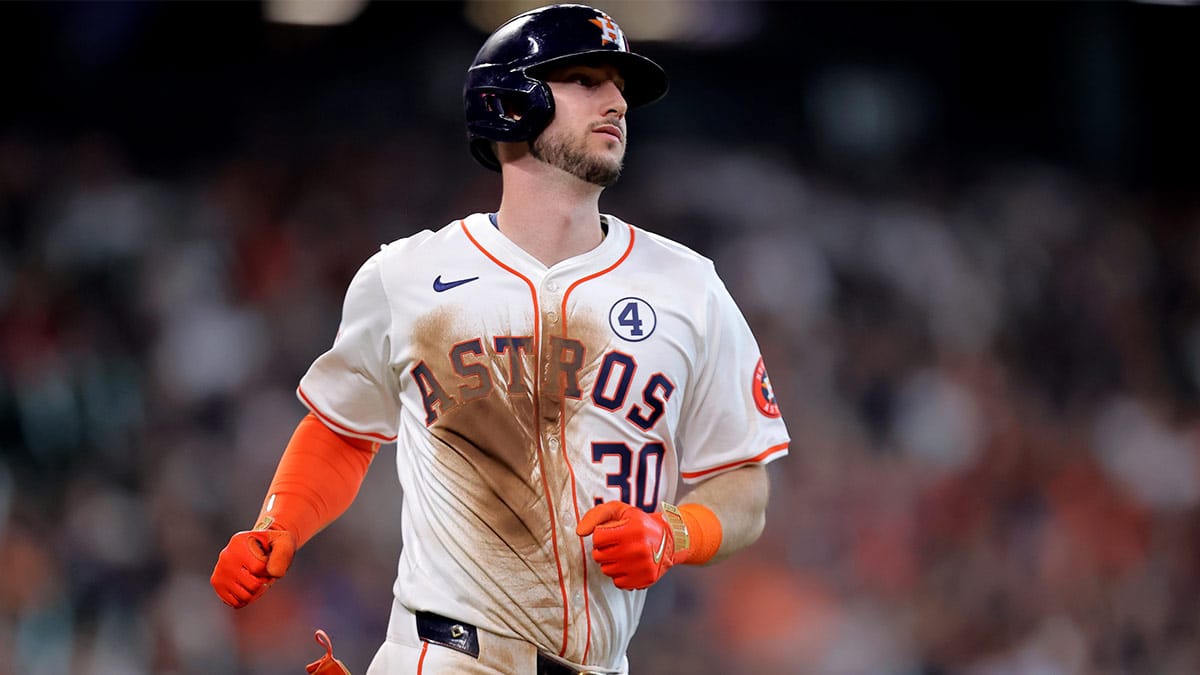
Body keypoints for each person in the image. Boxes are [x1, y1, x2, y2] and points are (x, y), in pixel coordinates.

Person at [210, 4, 789, 674]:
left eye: (620, 86)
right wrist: (278, 523)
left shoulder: (689, 286)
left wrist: (676, 531)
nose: (617, 101)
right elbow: (344, 427)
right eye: (585, 79)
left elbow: (744, 484)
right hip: (447, 655)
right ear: (511, 103)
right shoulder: (407, 276)